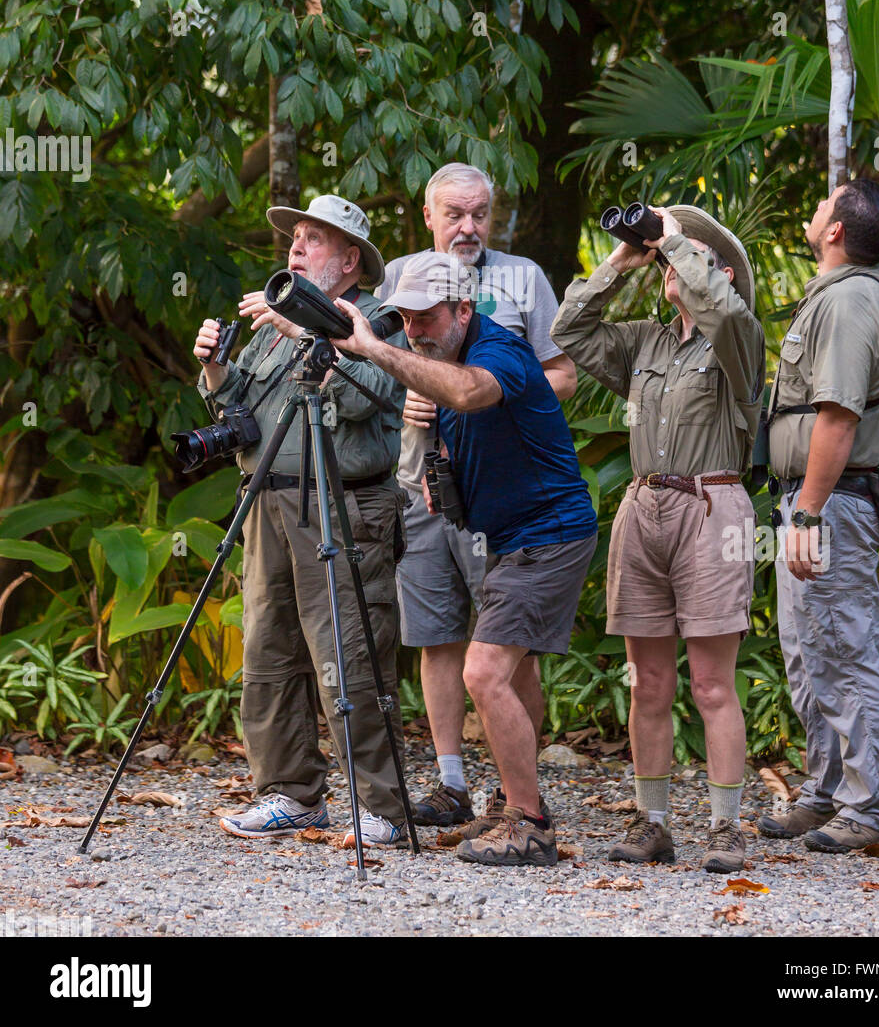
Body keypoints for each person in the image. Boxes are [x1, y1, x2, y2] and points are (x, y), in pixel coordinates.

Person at [332, 250, 598, 868]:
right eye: (405, 318)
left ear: (463, 308)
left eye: (426, 318)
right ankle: (514, 801)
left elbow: (474, 393)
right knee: (516, 670)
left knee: (482, 672)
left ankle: (529, 823)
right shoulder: (440, 354)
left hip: (549, 535)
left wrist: (376, 349)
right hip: (512, 535)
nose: (415, 330)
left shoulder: (495, 351)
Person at [551, 205, 764, 873]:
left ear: (718, 272)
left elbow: (724, 313)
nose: (672, 261)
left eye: (687, 255)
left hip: (711, 506)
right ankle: (653, 823)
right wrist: (621, 262)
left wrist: (676, 236)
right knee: (648, 682)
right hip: (645, 508)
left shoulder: (738, 339)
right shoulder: (646, 341)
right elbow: (569, 329)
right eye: (670, 253)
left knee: (710, 684)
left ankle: (726, 826)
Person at [192, 195, 410, 848]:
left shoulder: (377, 321)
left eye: (313, 239)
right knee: (268, 652)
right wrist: (214, 367)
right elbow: (242, 415)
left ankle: (383, 807)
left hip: (343, 506)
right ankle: (289, 793)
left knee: (353, 655)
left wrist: (298, 329)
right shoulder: (269, 331)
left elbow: (360, 396)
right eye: (294, 237)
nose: (295, 247)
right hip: (267, 503)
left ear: (349, 261)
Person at [377, 163, 576, 828]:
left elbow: (561, 373)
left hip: (505, 488)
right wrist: (417, 390)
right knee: (437, 634)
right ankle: (451, 783)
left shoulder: (522, 279)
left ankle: (517, 791)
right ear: (427, 215)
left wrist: (481, 392)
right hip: (427, 484)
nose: (469, 226)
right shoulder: (399, 275)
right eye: (455, 214)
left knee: (503, 643)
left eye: (481, 213)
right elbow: (379, 367)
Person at [758, 179, 879, 852]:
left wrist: (810, 514)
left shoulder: (849, 303)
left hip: (834, 501)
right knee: (809, 651)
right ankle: (827, 791)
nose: (814, 210)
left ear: (837, 231)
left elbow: (839, 416)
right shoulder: (837, 295)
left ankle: (868, 806)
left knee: (844, 649)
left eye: (823, 205)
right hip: (817, 496)